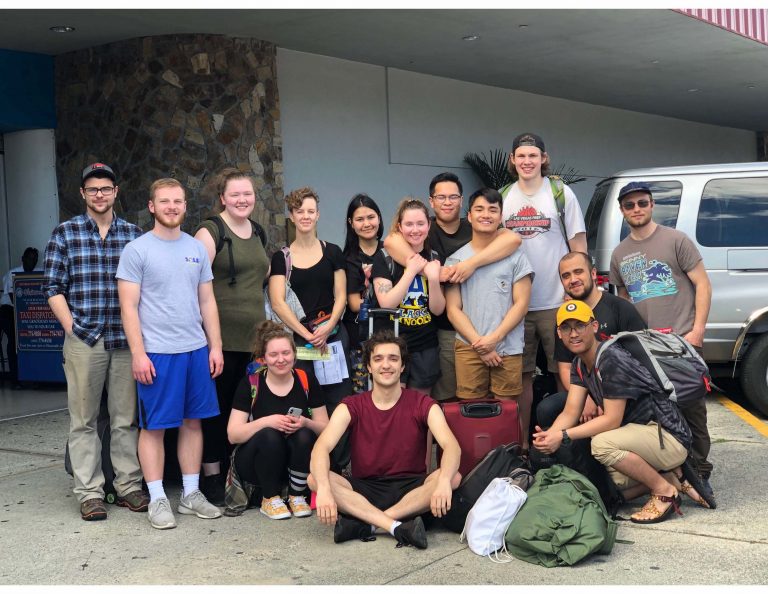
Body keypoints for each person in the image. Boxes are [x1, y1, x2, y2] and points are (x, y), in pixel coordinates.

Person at [533, 301, 708, 524]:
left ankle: (664, 491)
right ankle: (670, 475)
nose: (574, 334)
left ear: (594, 326)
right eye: (566, 328)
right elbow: (570, 412)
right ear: (559, 333)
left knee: (601, 445)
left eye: (580, 326)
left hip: (667, 435)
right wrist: (549, 436)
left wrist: (563, 435)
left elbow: (611, 420)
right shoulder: (579, 363)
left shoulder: (611, 358)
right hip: (640, 435)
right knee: (609, 482)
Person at [43, 163, 148, 522]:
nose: (99, 194)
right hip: (84, 340)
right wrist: (72, 327)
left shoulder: (134, 235)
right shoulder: (65, 233)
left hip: (124, 340)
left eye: (105, 188)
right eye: (93, 189)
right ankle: (89, 493)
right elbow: (52, 287)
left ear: (116, 191)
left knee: (125, 419)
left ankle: (128, 486)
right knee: (84, 420)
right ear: (83, 194)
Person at [117, 178, 224, 530]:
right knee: (155, 428)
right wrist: (138, 354)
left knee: (193, 422)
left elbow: (207, 301)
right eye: (164, 201)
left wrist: (215, 345)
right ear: (152, 206)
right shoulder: (137, 250)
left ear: (185, 206)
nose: (172, 207)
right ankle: (158, 498)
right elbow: (128, 307)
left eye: (178, 201)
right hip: (158, 354)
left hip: (195, 350)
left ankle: (191, 494)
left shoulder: (195, 248)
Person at [609, 181, 715, 502]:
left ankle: (700, 469)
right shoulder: (619, 254)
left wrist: (697, 330)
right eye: (630, 205)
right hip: (645, 348)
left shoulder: (676, 240)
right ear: (622, 210)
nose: (637, 209)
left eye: (642, 203)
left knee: (692, 408)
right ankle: (674, 471)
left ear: (652, 205)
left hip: (681, 342)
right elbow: (624, 302)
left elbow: (703, 284)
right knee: (659, 412)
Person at [308, 330, 462, 549]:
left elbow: (451, 446)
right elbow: (321, 447)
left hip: (411, 489)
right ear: (369, 367)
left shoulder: (423, 403)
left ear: (402, 366)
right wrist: (323, 488)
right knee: (314, 479)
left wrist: (444, 481)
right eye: (378, 359)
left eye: (393, 359)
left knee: (453, 477)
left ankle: (369, 525)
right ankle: (395, 526)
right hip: (365, 489)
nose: (386, 365)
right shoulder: (351, 405)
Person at [383, 172, 521, 400]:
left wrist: (470, 264)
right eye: (441, 197)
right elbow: (391, 241)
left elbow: (513, 239)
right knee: (450, 394)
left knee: (495, 396)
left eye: (453, 197)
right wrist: (431, 271)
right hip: (444, 325)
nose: (447, 202)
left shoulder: (474, 225)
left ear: (461, 200)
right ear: (431, 201)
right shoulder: (424, 229)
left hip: (486, 323)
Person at [193, 167, 270, 505]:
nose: (242, 200)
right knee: (215, 410)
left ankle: (238, 474)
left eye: (247, 194)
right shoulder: (211, 232)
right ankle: (212, 477)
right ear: (222, 197)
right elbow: (194, 285)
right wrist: (212, 341)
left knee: (245, 410)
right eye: (235, 194)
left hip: (254, 342)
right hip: (219, 340)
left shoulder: (258, 232)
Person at [501, 133, 587, 429]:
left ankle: (567, 438)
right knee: (520, 378)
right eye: (521, 156)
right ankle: (523, 444)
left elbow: (578, 245)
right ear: (513, 159)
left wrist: (578, 293)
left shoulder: (561, 193)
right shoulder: (503, 197)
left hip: (557, 301)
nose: (527, 161)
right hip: (517, 306)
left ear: (543, 158)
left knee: (565, 372)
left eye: (533, 155)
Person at [444, 188, 533, 443]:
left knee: (507, 411)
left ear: (500, 217)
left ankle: (510, 459)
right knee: (470, 412)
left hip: (507, 346)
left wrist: (494, 339)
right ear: (469, 216)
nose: (486, 215)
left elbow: (521, 304)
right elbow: (453, 309)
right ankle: (475, 462)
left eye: (493, 210)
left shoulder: (516, 256)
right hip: (469, 346)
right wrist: (480, 345)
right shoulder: (455, 260)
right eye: (480, 209)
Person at [227, 321, 330, 519]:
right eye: (273, 355)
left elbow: (326, 429)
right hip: (256, 463)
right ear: (263, 359)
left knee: (304, 434)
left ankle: (296, 495)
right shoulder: (251, 383)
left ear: (294, 354)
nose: (281, 359)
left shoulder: (306, 379)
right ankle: (269, 498)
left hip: (295, 463)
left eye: (286, 353)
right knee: (269, 435)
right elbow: (233, 435)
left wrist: (305, 422)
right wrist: (267, 421)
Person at [537, 251, 647, 427]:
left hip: (623, 394)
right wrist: (587, 399)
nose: (573, 279)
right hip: (584, 391)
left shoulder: (621, 308)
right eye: (566, 276)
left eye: (578, 272)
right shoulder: (564, 317)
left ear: (593, 273)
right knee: (547, 409)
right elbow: (565, 367)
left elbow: (642, 363)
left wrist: (607, 401)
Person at [267, 187, 352, 413]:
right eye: (299, 211)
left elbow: (341, 295)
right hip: (299, 340)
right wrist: (307, 334)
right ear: (292, 216)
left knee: (339, 402)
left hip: (333, 336)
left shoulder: (333, 252)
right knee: (302, 400)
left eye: (310, 211)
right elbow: (277, 302)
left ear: (318, 215)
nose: (305, 216)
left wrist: (328, 328)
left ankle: (338, 439)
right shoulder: (281, 258)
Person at [372, 198, 445, 395]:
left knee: (420, 403)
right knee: (392, 400)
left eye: (420, 224)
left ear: (429, 225)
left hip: (425, 344)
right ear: (400, 227)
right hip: (392, 343)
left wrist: (433, 279)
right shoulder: (384, 257)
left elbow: (438, 309)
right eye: (409, 224)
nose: (415, 230)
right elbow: (386, 303)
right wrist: (411, 271)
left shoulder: (434, 257)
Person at [342, 194, 384, 393]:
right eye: (359, 219)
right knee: (363, 393)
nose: (366, 224)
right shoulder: (347, 259)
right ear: (351, 223)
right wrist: (387, 301)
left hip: (390, 333)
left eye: (371, 217)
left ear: (379, 218)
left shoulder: (391, 251)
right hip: (360, 336)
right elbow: (354, 304)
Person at [1, 247, 40, 386]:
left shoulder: (38, 273)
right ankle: (15, 378)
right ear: (23, 259)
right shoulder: (12, 273)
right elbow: (15, 300)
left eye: (35, 259)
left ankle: (33, 376)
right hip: (9, 310)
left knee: (36, 338)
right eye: (30, 258)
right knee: (14, 339)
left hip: (28, 312)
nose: (32, 262)